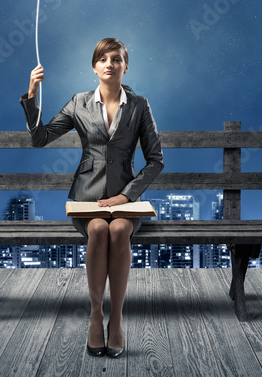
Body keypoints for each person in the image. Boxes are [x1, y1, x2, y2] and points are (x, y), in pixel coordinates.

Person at [20, 37, 164, 358]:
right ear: (94, 67)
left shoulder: (139, 106)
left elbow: (155, 160)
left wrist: (127, 196)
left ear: (126, 66)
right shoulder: (78, 103)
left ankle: (118, 319)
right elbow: (40, 138)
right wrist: (32, 93)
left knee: (117, 229)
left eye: (116, 59)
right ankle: (96, 316)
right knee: (98, 229)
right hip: (86, 197)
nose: (110, 64)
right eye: (103, 59)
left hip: (125, 202)